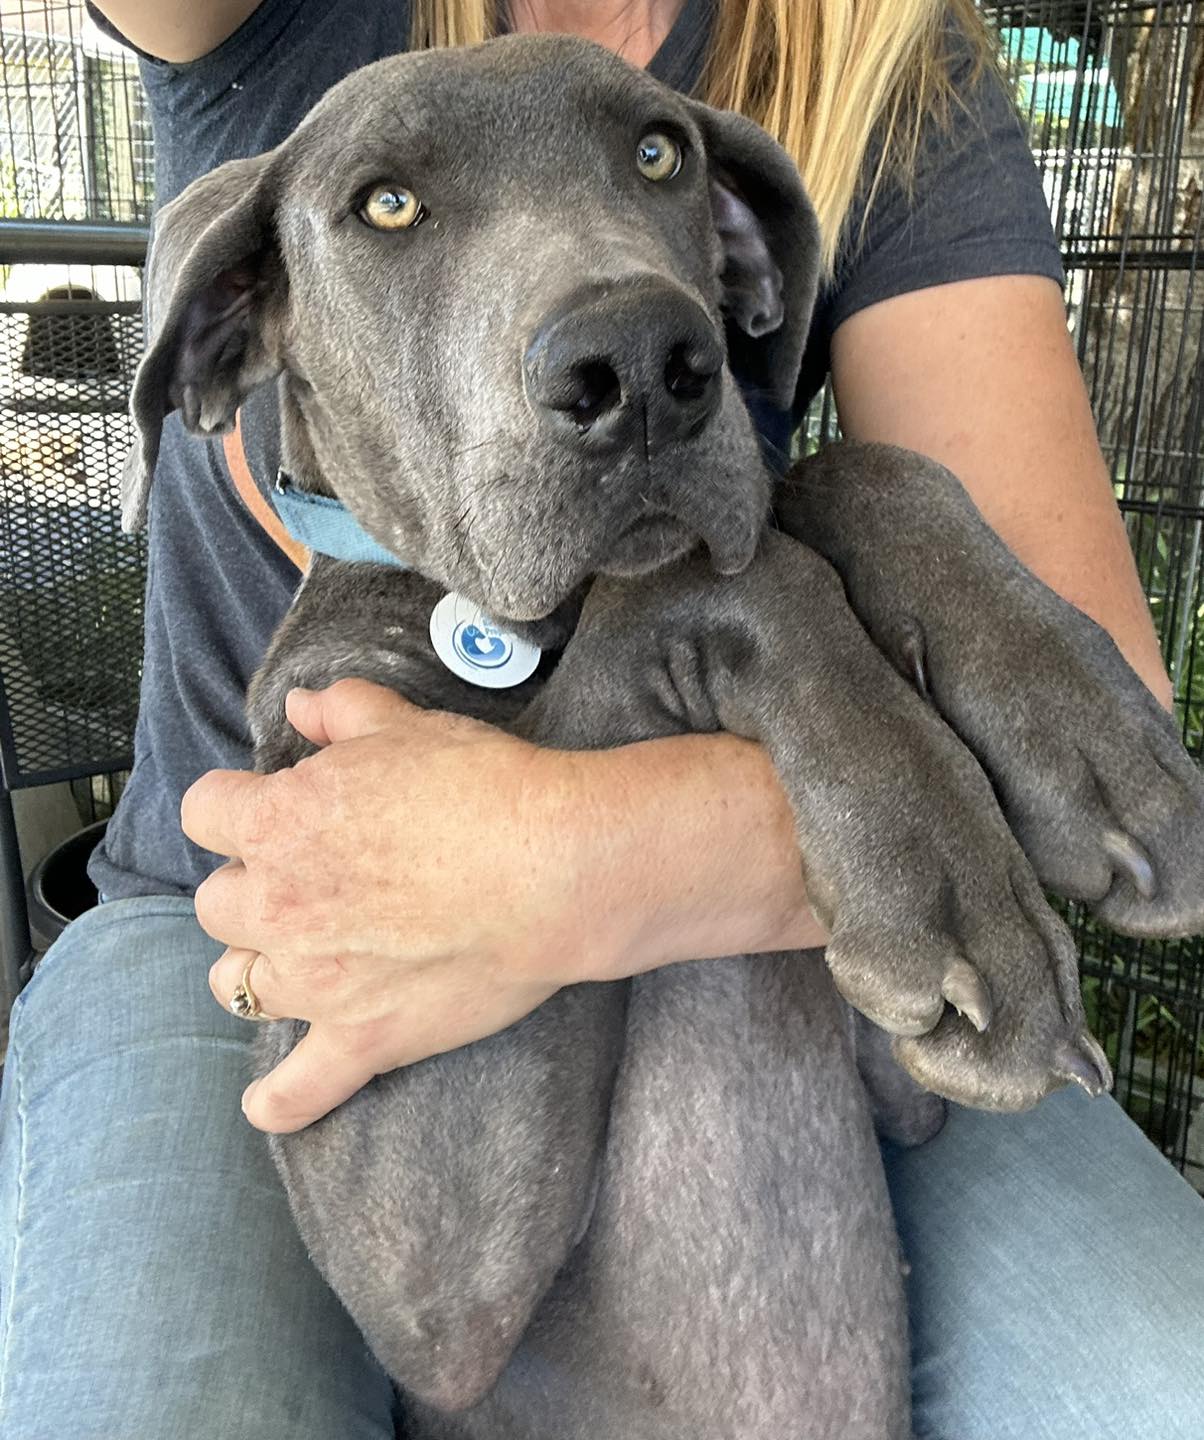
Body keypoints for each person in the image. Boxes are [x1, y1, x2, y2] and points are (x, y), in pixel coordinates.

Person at [1, 0, 1201, 1435]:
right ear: (235, 328)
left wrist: (579, 853)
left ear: (742, 262)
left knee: (1163, 1385)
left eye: (649, 168)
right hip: (212, 913)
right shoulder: (276, 33)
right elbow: (443, 1311)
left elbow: (1094, 771)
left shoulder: (886, 56)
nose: (620, 319)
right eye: (391, 207)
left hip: (760, 863)